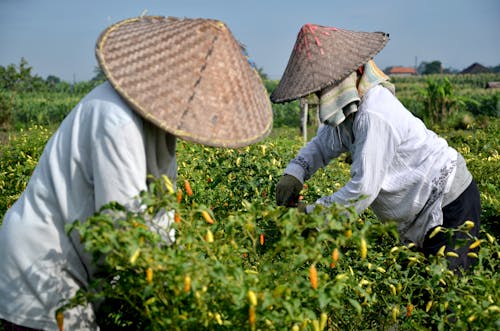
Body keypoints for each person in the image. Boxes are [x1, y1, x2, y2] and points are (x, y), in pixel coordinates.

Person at [0, 16, 272, 330]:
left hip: (77, 265)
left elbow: (158, 210)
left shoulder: (160, 126)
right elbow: (124, 227)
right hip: (42, 268)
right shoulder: (116, 120)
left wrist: (176, 265)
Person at [273, 24, 480, 273]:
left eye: (321, 89)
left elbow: (363, 190)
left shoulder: (373, 113)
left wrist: (310, 213)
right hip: (414, 216)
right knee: (420, 297)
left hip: (448, 203)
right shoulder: (349, 111)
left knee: (449, 297)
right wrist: (294, 173)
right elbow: (321, 144)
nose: (320, 96)